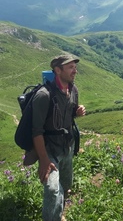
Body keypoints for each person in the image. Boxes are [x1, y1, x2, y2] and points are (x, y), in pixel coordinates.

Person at [32, 54, 86, 221]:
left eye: (74, 67)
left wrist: (76, 112)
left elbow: (67, 115)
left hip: (67, 145)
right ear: (57, 70)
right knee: (52, 189)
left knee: (66, 184)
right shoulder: (43, 96)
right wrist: (43, 159)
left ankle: (59, 210)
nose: (75, 71)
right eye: (70, 67)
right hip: (50, 149)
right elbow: (36, 131)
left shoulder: (73, 90)